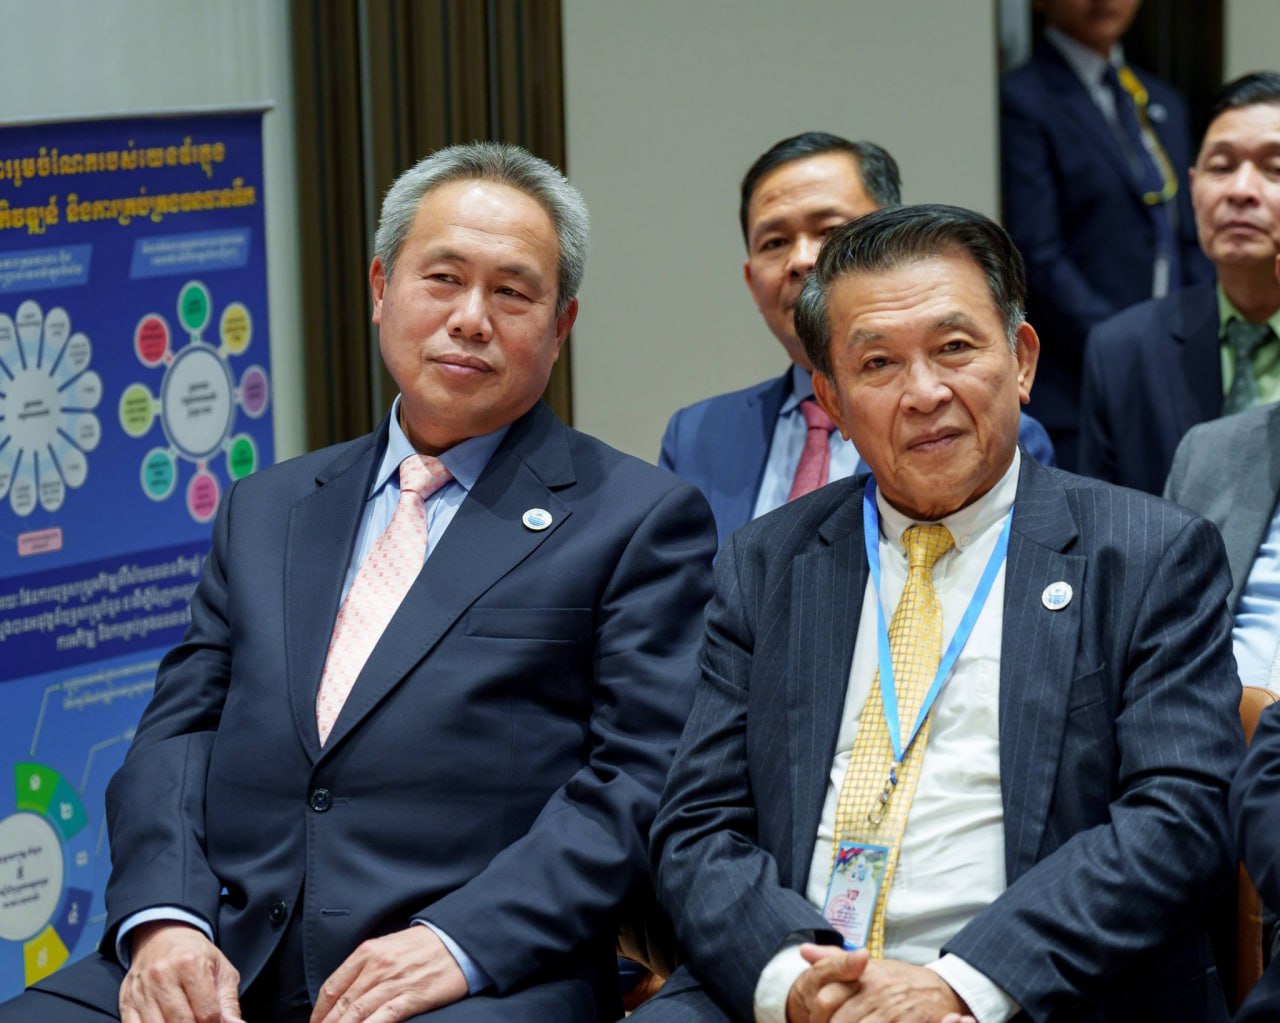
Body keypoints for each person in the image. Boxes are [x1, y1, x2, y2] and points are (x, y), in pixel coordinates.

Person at [0, 142, 717, 1023]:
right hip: (226, 948)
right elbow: (177, 736)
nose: (470, 319)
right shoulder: (268, 506)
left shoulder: (636, 518)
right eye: (442, 279)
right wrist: (167, 921)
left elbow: (637, 779)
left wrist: (457, 941)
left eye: (512, 292)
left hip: (472, 970)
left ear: (561, 324)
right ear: (381, 287)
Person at [633, 204, 1242, 1022]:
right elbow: (698, 825)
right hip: (803, 982)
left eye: (955, 347)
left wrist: (961, 983)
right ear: (832, 398)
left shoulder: (1146, 554)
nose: (924, 393)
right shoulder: (766, 564)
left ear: (1021, 360)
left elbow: (1181, 814)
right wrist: (796, 982)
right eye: (878, 363)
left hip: (1035, 989)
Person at [659, 132, 1055, 546]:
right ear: (751, 280)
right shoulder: (697, 435)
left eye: (830, 231)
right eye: (775, 243)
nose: (801, 260)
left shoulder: (981, 430)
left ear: (892, 242)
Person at [1001, 0, 1208, 470]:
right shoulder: (1023, 99)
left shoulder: (1162, 100)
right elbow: (1037, 254)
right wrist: (1124, 345)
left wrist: (1195, 328)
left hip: (1174, 363)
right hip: (1076, 378)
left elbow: (1189, 236)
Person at [1078, 71, 1280, 494]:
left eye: (1274, 169)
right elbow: (1100, 524)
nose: (1240, 191)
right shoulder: (1123, 353)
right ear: (1192, 187)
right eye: (1221, 167)